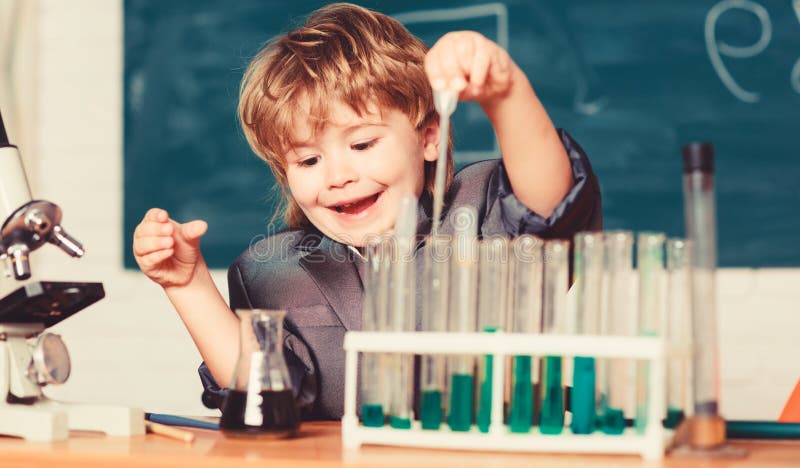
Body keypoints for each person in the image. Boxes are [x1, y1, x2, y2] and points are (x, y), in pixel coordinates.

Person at [132, 2, 601, 420]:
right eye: (308, 160)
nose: (337, 175)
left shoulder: (483, 211)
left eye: (362, 143)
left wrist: (505, 92)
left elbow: (552, 203)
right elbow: (262, 390)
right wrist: (187, 285)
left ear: (428, 137)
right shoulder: (269, 271)